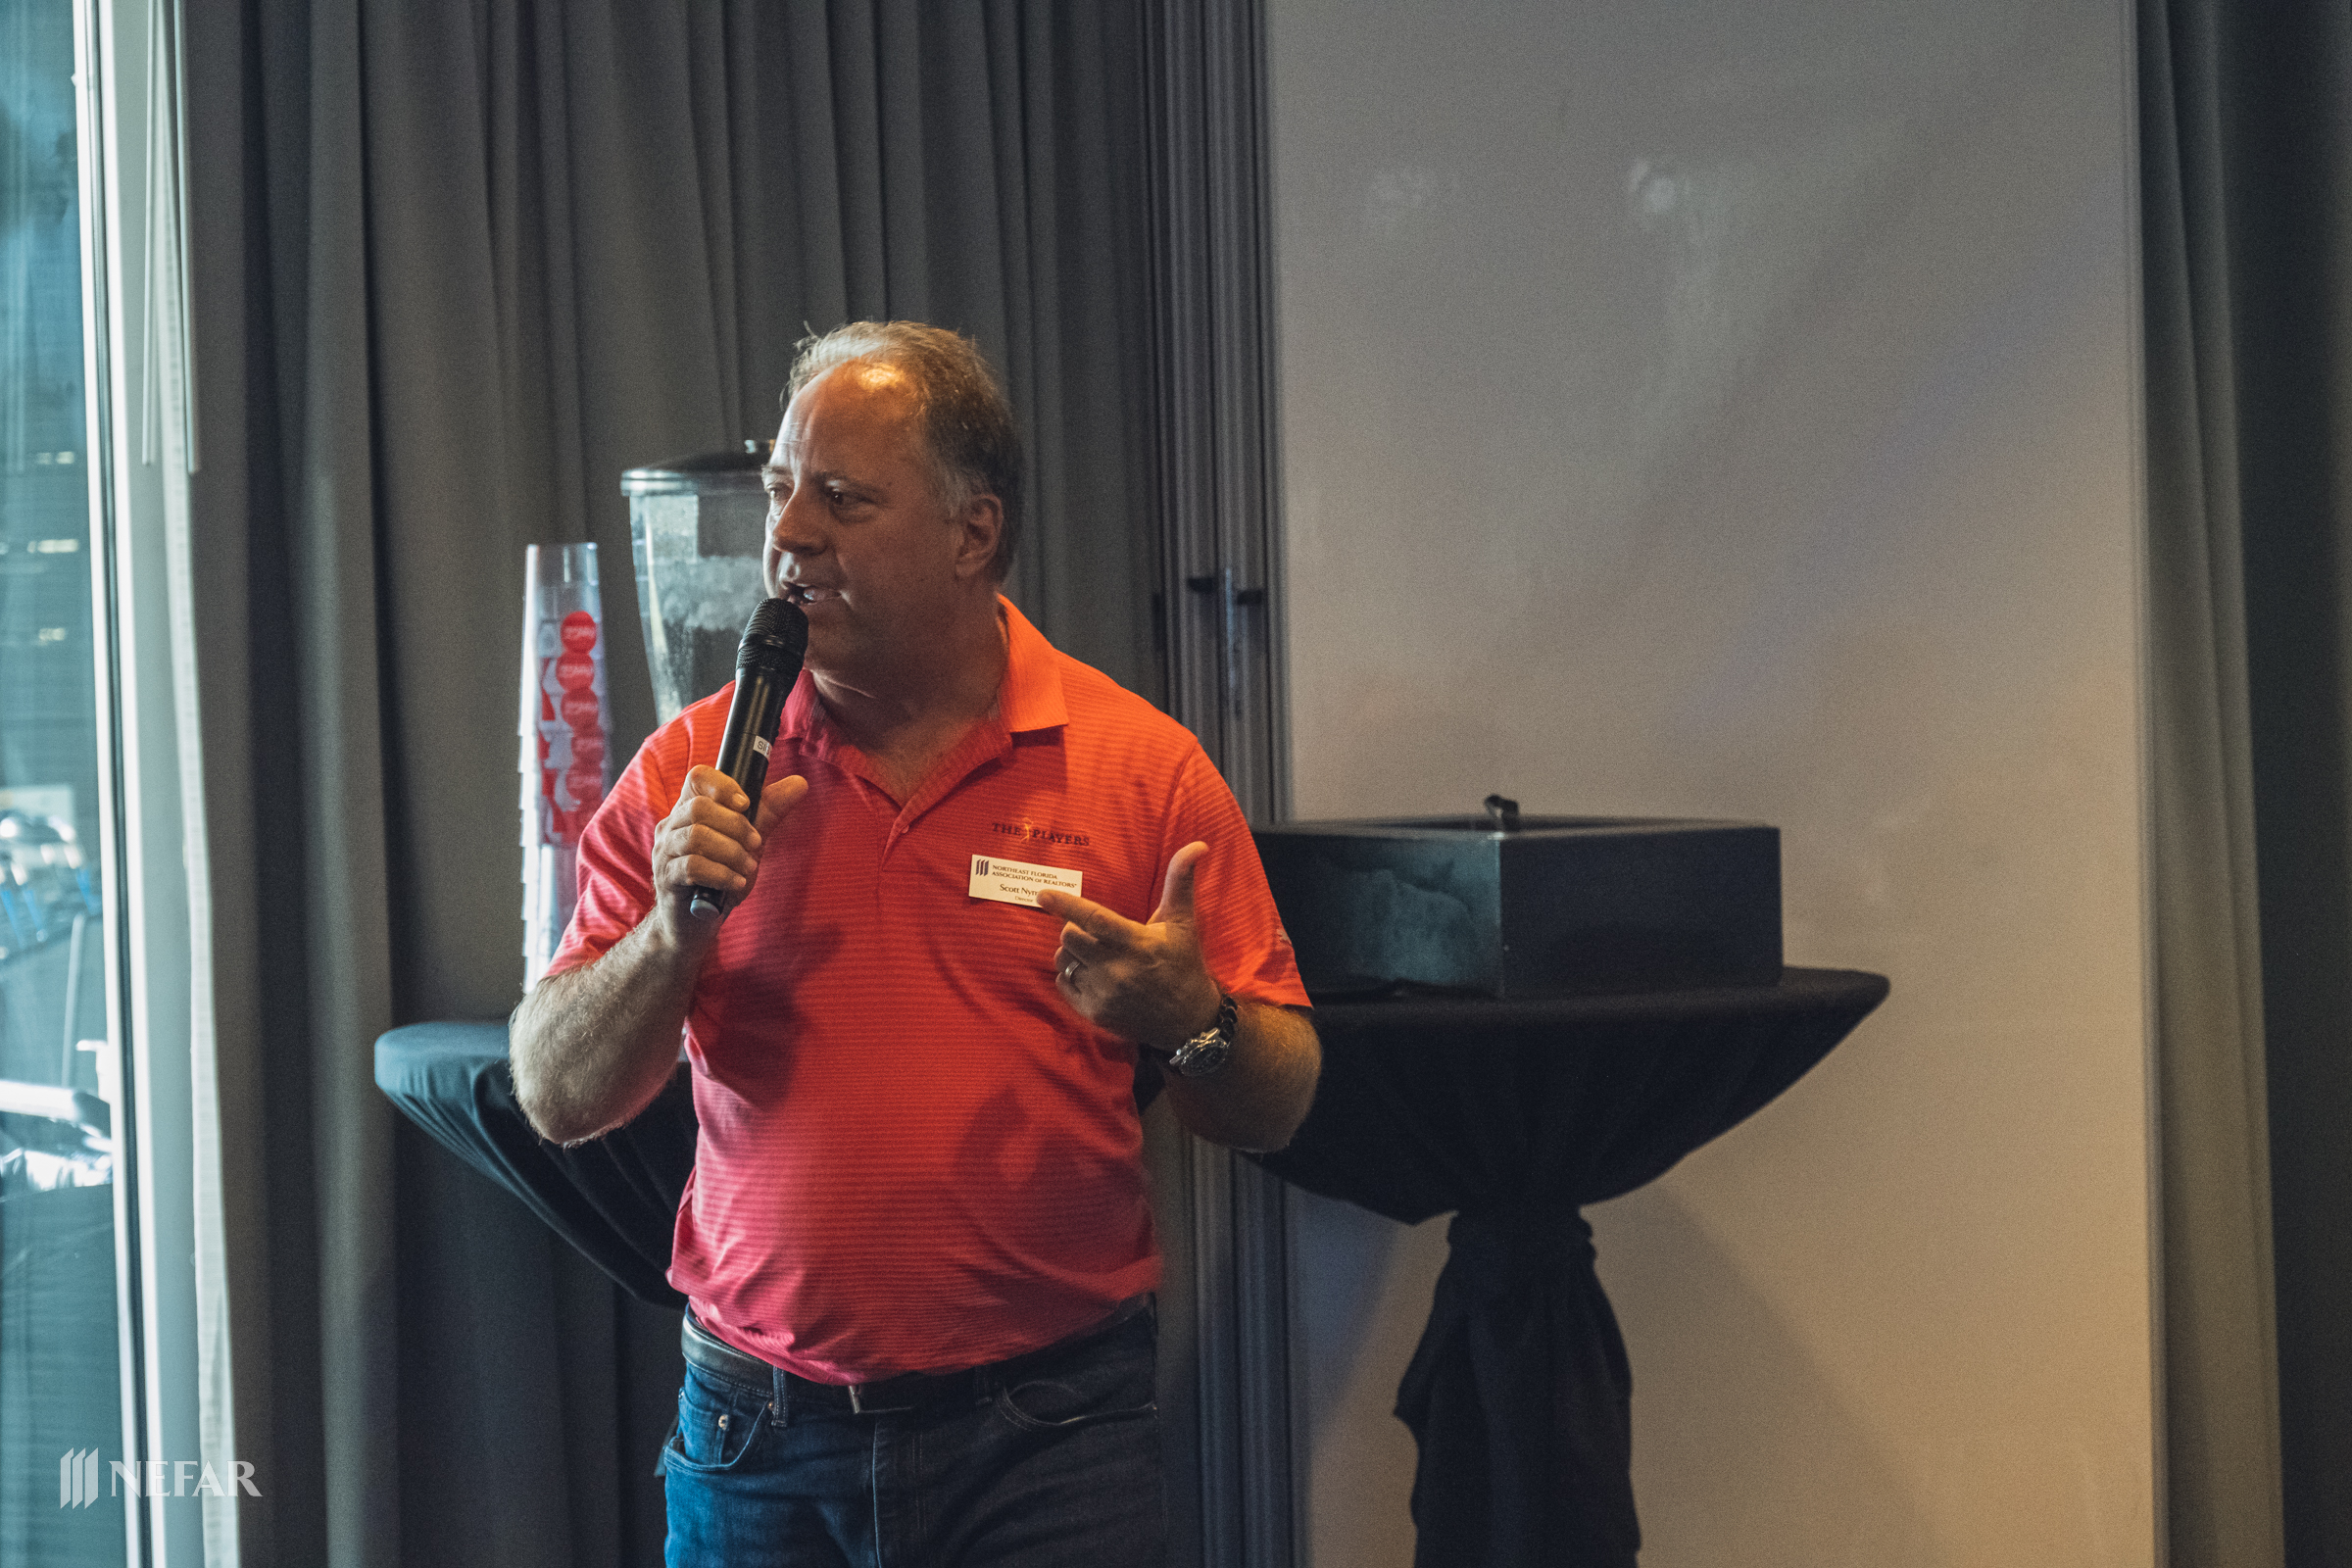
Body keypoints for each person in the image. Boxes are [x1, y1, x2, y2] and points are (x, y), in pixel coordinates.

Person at [509, 319, 1320, 1567]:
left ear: (972, 531)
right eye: (781, 490)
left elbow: (1281, 1100)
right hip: (759, 1444)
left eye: (842, 499)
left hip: (1047, 1442)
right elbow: (556, 1092)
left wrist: (1193, 1021)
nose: (789, 533)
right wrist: (672, 936)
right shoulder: (692, 773)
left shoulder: (1139, 769)